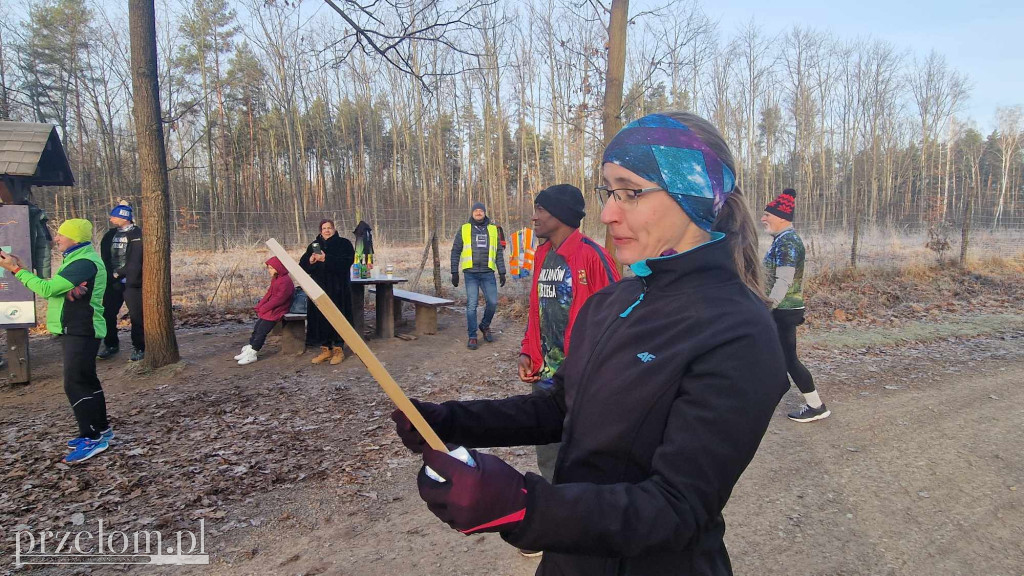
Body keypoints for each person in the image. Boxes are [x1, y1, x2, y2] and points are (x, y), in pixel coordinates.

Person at [392, 112, 788, 575]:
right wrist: (452, 421)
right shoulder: (614, 301)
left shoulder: (738, 330)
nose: (607, 213)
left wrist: (525, 507)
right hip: (570, 560)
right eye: (609, 191)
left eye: (630, 192)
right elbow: (562, 408)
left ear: (694, 196)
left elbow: (677, 507)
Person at [519, 184, 619, 486]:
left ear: (560, 215)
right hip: (545, 376)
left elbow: (618, 313)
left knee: (585, 453)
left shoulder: (592, 256)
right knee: (548, 451)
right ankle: (555, 505)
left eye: (540, 210)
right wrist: (527, 350)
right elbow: (537, 310)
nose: (534, 217)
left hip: (583, 379)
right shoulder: (541, 255)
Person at [0, 219, 113, 464]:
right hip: (75, 329)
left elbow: (48, 290)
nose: (57, 239)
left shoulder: (83, 263)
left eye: (62, 235)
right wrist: (20, 267)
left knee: (75, 383)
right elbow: (55, 288)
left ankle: (92, 438)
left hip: (81, 331)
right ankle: (102, 429)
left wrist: (16, 271)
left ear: (75, 238)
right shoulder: (75, 259)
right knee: (86, 380)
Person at [761, 189, 830, 423]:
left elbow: (784, 280)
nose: (763, 218)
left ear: (781, 217)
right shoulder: (782, 240)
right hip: (783, 309)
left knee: (787, 359)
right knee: (781, 358)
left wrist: (767, 307)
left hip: (783, 310)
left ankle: (816, 406)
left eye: (767, 214)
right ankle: (811, 403)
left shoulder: (787, 241)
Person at [450, 202, 506, 350]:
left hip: (488, 272)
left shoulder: (494, 229)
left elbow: (499, 252)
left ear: (485, 213)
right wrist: (454, 272)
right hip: (471, 273)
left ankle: (485, 325)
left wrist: (502, 271)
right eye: (476, 210)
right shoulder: (464, 229)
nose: (479, 213)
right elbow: (455, 250)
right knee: (472, 305)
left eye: (481, 210)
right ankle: (473, 336)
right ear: (472, 213)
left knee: (493, 302)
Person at [299, 219, 354, 365]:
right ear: (320, 230)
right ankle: (325, 350)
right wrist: (310, 260)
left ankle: (338, 349)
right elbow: (302, 266)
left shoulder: (344, 244)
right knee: (320, 319)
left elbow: (347, 262)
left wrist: (326, 259)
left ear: (334, 229)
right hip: (319, 289)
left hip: (338, 289)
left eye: (329, 228)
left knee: (338, 318)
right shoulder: (314, 245)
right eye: (324, 228)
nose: (327, 230)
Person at [98, 202, 144, 362]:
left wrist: (121, 273)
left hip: (133, 282)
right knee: (107, 313)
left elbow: (136, 260)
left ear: (124, 217)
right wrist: (110, 274)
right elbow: (105, 256)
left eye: (114, 215)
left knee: (137, 316)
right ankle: (111, 344)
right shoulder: (109, 235)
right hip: (113, 282)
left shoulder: (138, 235)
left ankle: (140, 347)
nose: (111, 218)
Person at [235, 256, 294, 365]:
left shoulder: (285, 281)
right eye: (268, 268)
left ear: (278, 268)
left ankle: (253, 353)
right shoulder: (276, 278)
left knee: (262, 331)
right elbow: (269, 293)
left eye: (271, 268)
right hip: (272, 309)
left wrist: (265, 307)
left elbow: (279, 299)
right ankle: (250, 347)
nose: (269, 270)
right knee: (257, 328)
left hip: (278, 310)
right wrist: (260, 305)